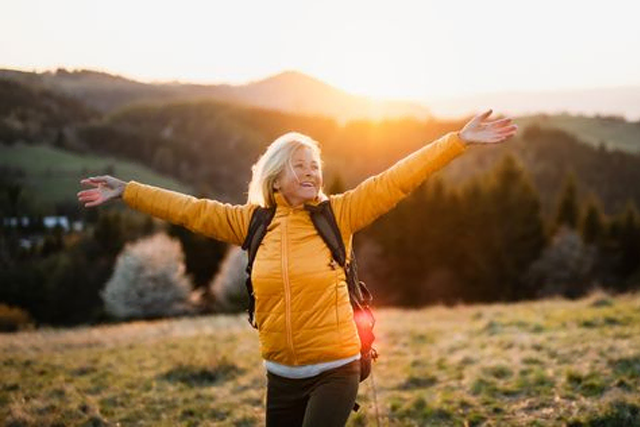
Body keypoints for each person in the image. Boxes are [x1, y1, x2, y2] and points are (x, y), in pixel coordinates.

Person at [77, 109, 517, 426]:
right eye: (300, 165)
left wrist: (456, 141)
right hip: (280, 375)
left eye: (316, 166)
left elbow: (397, 179)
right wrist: (127, 191)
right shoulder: (251, 223)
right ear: (275, 176)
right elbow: (189, 210)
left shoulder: (339, 215)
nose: (312, 173)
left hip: (337, 368)